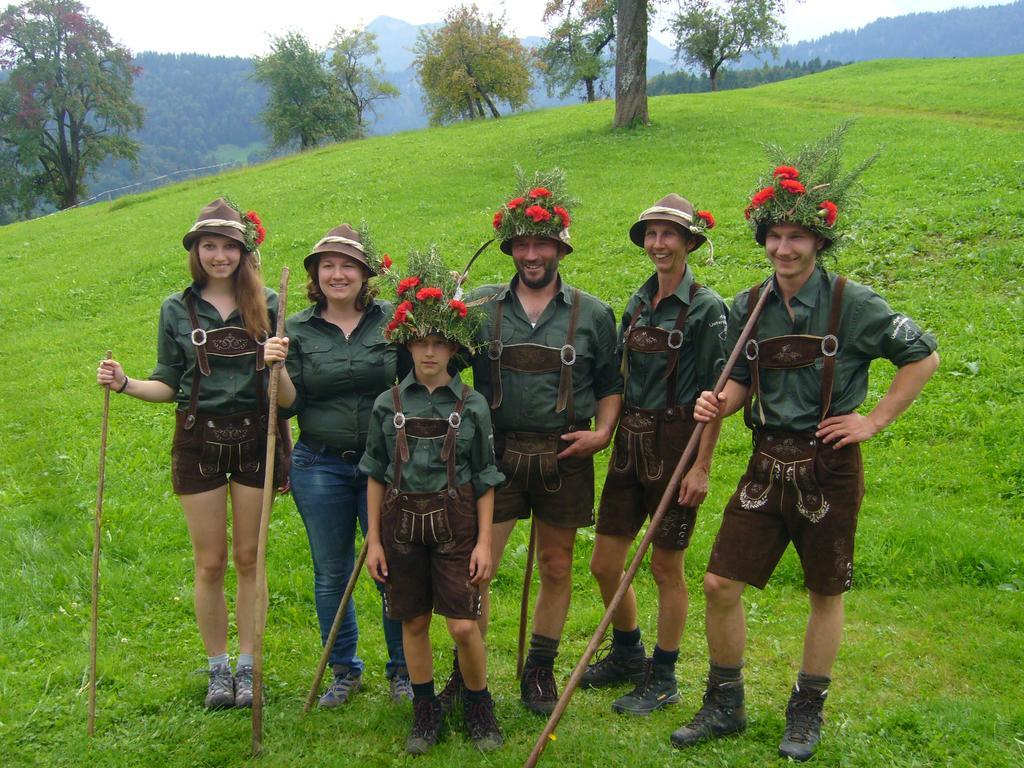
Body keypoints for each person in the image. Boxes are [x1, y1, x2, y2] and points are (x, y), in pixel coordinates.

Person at [670, 124, 940, 761]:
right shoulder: (748, 306)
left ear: (818, 240)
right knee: (718, 583)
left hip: (829, 466)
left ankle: (806, 711)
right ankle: (725, 703)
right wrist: (719, 402)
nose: (784, 248)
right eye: (775, 236)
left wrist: (872, 420)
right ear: (764, 240)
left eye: (796, 237)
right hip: (766, 463)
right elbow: (737, 381)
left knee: (824, 592)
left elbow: (922, 356)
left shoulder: (853, 303)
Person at [96, 197, 279, 709]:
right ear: (196, 251)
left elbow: (285, 390)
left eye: (228, 247)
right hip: (197, 440)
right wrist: (126, 383)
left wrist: (277, 362)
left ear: (244, 252)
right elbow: (167, 383)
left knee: (248, 558)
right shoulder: (177, 310)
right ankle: (218, 668)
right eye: (209, 246)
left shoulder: (268, 303)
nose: (219, 256)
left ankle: (249, 664)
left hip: (253, 439)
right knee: (210, 563)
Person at [453, 169, 623, 716]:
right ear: (510, 248)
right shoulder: (479, 307)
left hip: (565, 455)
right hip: (495, 455)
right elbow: (439, 360)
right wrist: (440, 307)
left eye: (541, 243)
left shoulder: (593, 313)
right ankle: (468, 672)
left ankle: (539, 669)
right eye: (522, 243)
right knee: (479, 566)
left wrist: (602, 434)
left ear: (560, 248)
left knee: (556, 565)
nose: (531, 254)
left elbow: (610, 385)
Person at [583, 194, 728, 715]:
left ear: (689, 243)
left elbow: (715, 395)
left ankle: (663, 677)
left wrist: (701, 467)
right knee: (604, 564)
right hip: (630, 444)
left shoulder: (707, 308)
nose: (659, 243)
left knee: (667, 568)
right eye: (651, 234)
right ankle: (627, 654)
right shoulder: (638, 302)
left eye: (669, 235)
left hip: (676, 444)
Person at [360, 249, 505, 754]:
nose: (428, 354)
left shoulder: (473, 406)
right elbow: (376, 475)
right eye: (420, 343)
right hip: (400, 525)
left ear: (453, 350)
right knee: (414, 621)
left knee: (464, 624)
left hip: (457, 524)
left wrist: (485, 542)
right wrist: (374, 539)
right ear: (407, 345)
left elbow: (485, 478)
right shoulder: (388, 405)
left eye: (438, 344)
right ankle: (425, 711)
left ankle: (478, 702)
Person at [263, 224, 411, 707]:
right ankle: (344, 670)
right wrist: (277, 368)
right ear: (315, 274)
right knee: (331, 573)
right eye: (327, 265)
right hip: (320, 464)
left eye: (347, 264)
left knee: (391, 566)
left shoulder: (392, 321)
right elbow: (287, 406)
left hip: (386, 467)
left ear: (364, 273)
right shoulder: (297, 328)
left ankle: (404, 669)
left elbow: (423, 377)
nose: (337, 273)